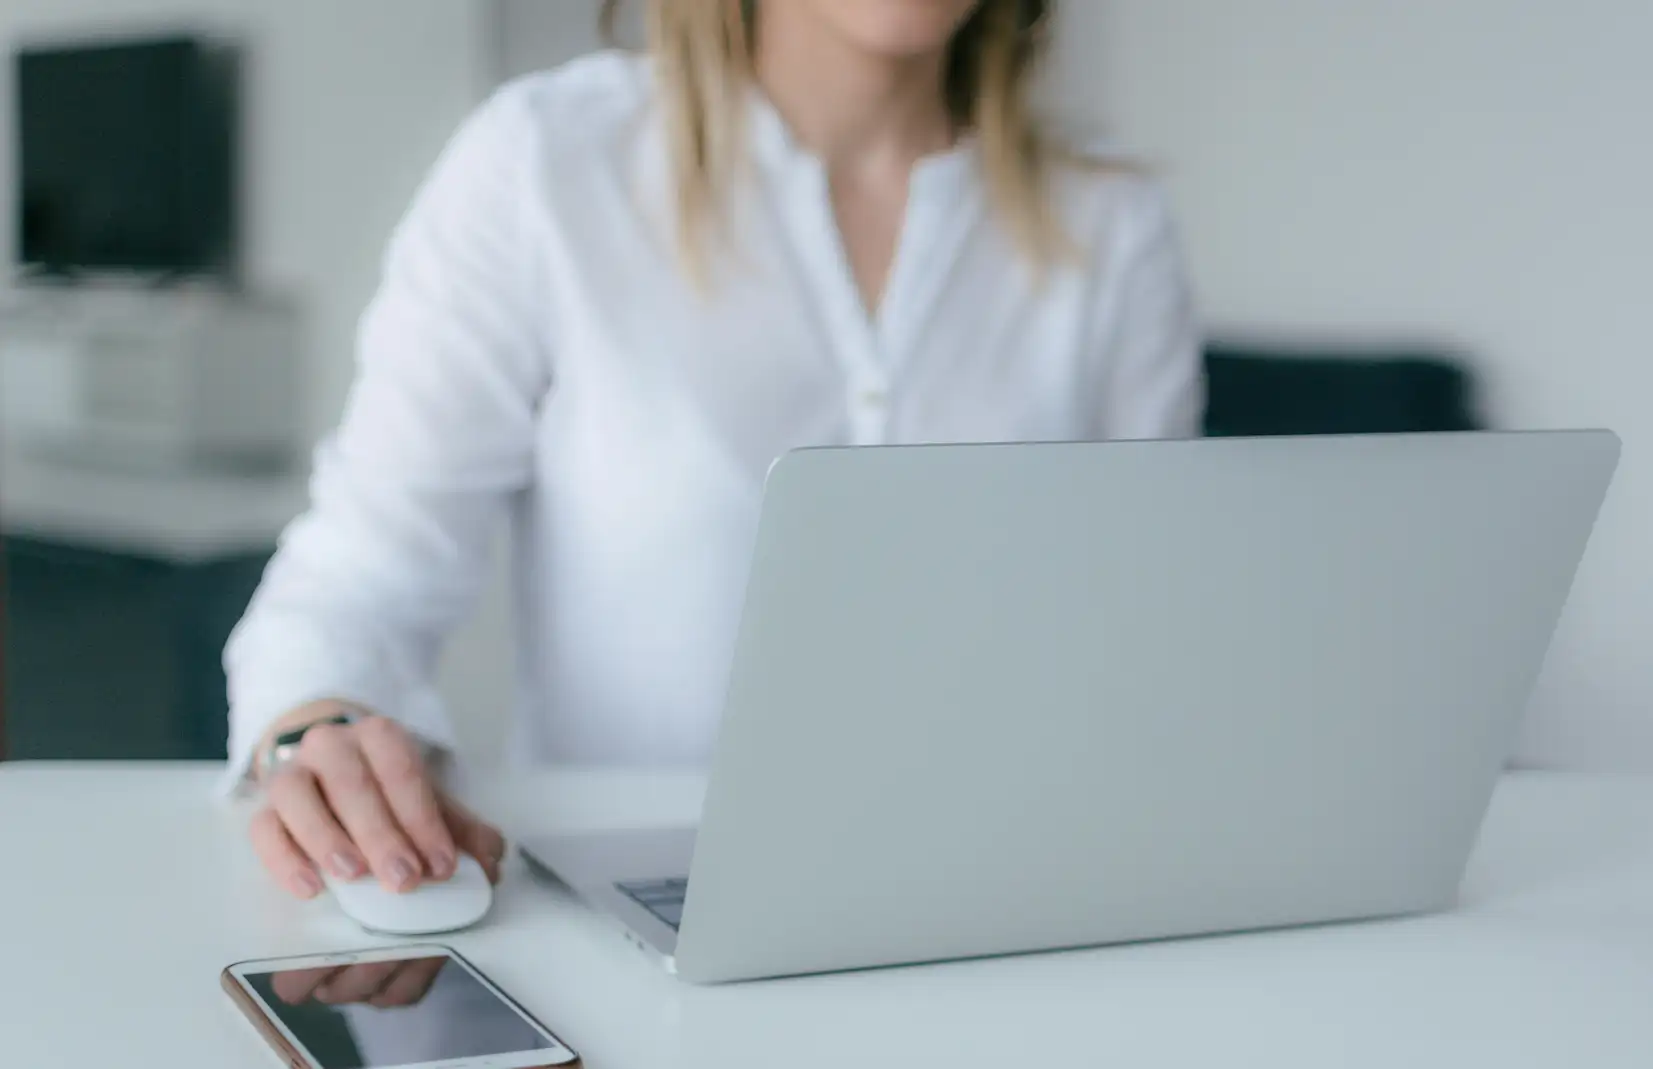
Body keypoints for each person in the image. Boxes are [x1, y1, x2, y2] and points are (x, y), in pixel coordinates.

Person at [228, 0, 1204, 900]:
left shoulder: (1110, 223)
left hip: (1009, 904)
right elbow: (356, 585)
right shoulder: (544, 165)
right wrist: (318, 735)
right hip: (635, 911)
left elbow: (1150, 644)